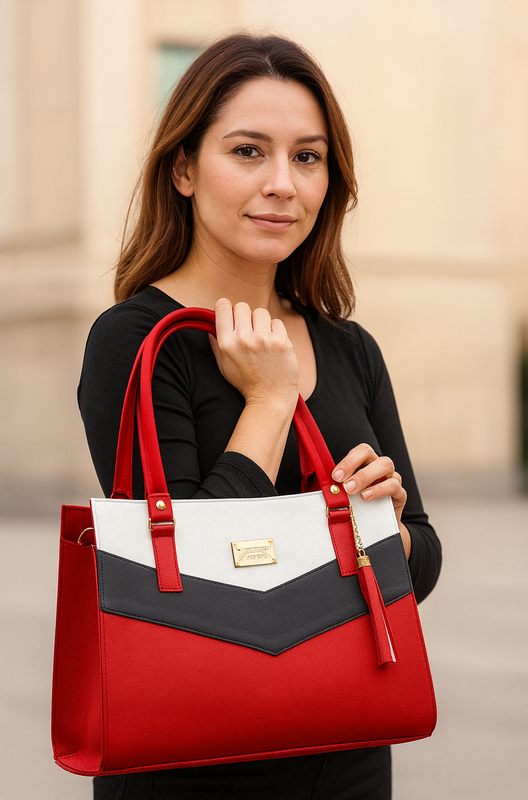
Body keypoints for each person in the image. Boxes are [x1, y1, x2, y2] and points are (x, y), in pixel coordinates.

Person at [78, 31, 441, 800]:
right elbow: (176, 580)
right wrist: (271, 402)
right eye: (248, 151)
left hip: (344, 749)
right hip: (190, 764)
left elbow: (423, 562)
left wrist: (386, 524)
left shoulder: (349, 348)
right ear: (183, 168)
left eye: (307, 157)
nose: (282, 182)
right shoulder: (139, 344)